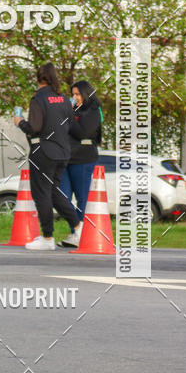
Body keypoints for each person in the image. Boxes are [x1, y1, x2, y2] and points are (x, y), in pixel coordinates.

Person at [14, 62, 82, 250]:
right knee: (54, 192)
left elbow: (34, 128)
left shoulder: (38, 99)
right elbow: (70, 123)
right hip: (62, 152)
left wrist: (20, 122)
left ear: (38, 78)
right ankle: (78, 227)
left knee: (42, 194)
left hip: (43, 152)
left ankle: (47, 237)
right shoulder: (62, 98)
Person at [58, 80, 103, 248]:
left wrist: (68, 116)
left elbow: (82, 132)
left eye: (77, 94)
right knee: (63, 197)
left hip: (84, 159)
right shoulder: (70, 110)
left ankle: (79, 234)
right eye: (73, 94)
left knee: (83, 198)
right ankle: (77, 230)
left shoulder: (93, 110)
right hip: (64, 158)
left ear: (85, 94)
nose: (74, 97)